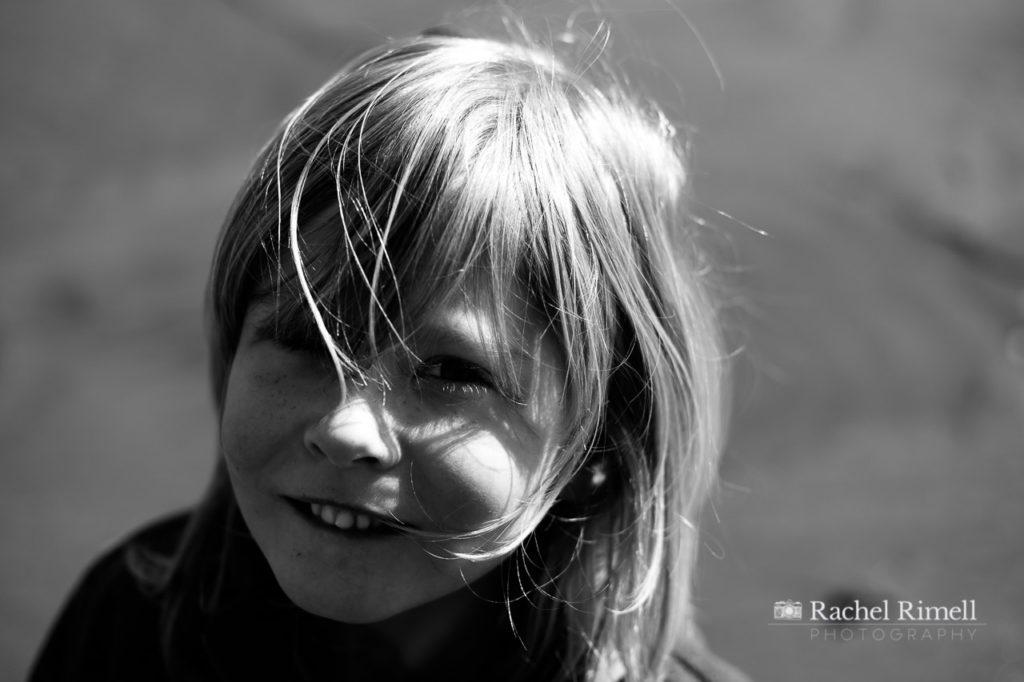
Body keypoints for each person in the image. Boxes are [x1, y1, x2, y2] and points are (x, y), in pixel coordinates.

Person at [30, 21, 748, 682]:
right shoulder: (133, 622)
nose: (347, 428)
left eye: (451, 372)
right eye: (307, 338)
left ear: (600, 446)